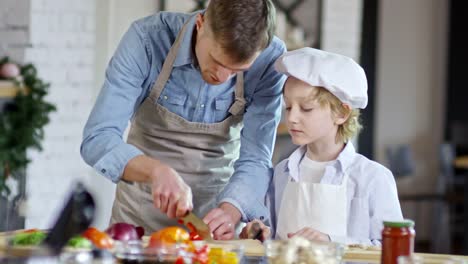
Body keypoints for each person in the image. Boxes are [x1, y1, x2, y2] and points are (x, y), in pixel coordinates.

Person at [80, 0, 287, 240]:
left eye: (236, 71)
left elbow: (256, 158)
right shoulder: (147, 40)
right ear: (200, 24)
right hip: (138, 223)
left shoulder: (270, 60)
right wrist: (156, 171)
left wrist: (230, 212)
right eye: (217, 61)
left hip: (212, 228)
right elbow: (98, 138)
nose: (222, 77)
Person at [240, 48, 403, 245]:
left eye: (306, 109)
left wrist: (331, 242)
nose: (291, 118)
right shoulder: (281, 174)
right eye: (288, 107)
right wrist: (260, 235)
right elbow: (272, 239)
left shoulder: (373, 179)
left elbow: (393, 248)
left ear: (342, 113)